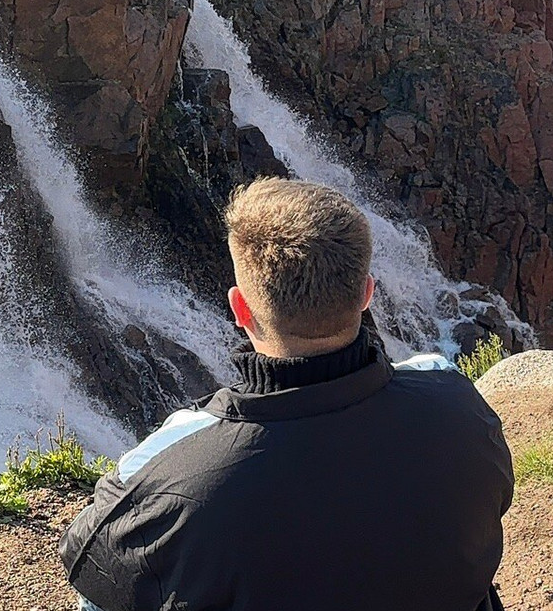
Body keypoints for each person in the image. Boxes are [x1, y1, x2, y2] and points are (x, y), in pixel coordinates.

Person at [59, 178, 514, 611]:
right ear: (367, 294)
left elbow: (91, 559)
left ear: (240, 308)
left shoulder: (172, 469)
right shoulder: (458, 405)